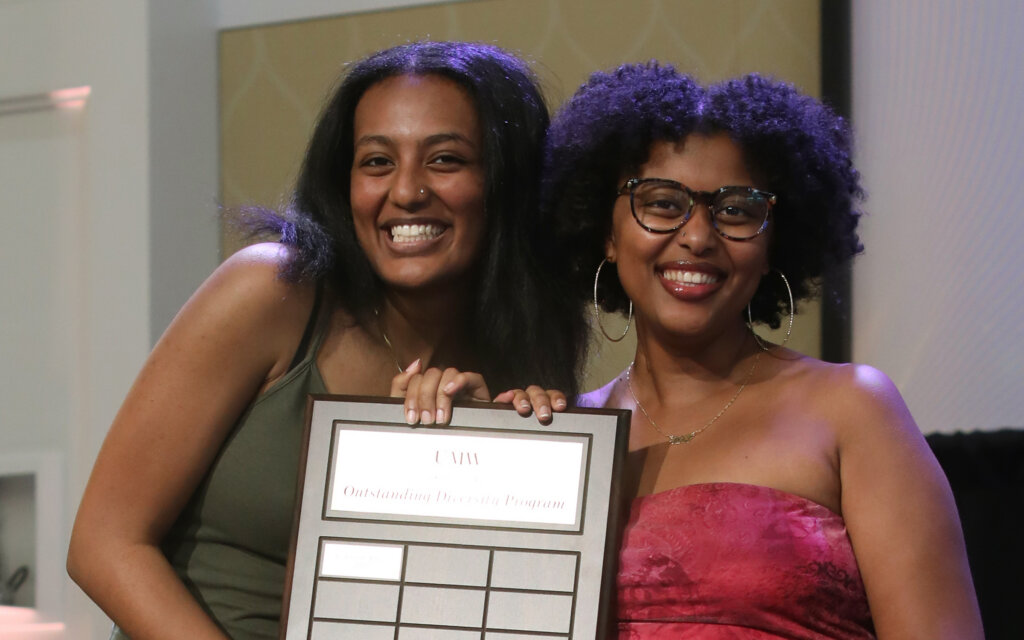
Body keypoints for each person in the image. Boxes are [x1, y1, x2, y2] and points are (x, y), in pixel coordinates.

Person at [66, 41, 582, 640]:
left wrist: (488, 455)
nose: (406, 191)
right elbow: (104, 544)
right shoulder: (272, 290)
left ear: (507, 182)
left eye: (445, 160)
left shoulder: (511, 366)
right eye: (376, 162)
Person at [542, 63, 984, 638]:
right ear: (607, 231)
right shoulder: (569, 433)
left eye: (736, 210)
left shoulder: (853, 410)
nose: (697, 237)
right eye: (662, 203)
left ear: (775, 241)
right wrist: (454, 429)